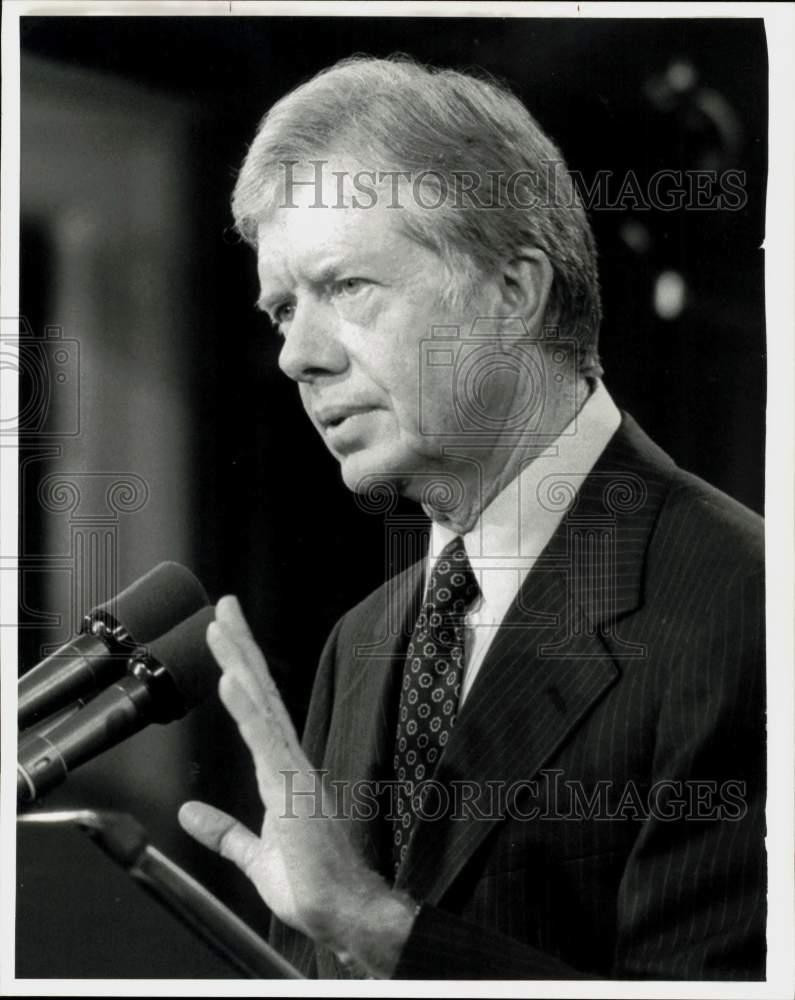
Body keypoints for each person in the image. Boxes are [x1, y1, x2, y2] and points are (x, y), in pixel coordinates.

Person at [177, 56, 766, 980]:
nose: (296, 355)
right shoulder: (362, 641)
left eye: (345, 288)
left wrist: (381, 927)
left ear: (512, 292)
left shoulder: (749, 605)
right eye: (281, 309)